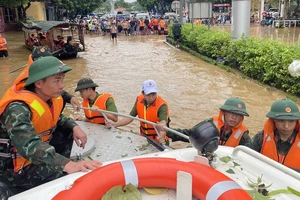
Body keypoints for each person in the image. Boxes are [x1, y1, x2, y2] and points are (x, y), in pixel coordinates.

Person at [0, 56, 102, 195]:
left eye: (62, 79)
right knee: (67, 178)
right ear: (39, 83)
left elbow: (56, 118)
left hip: (32, 159)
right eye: (57, 80)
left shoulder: (48, 99)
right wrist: (67, 164)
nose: (62, 86)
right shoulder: (17, 108)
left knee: (66, 130)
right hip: (12, 169)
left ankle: (55, 166)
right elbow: (30, 145)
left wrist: (74, 126)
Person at [12, 46, 81, 111]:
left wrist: (69, 98)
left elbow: (53, 88)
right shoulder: (29, 77)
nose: (62, 85)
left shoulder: (51, 75)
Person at [162, 97, 251, 147]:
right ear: (224, 112)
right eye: (231, 113)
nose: (234, 117)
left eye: (238, 115)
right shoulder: (211, 123)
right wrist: (167, 131)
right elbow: (191, 134)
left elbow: (247, 155)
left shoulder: (243, 135)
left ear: (241, 118)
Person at [106, 80, 170, 144]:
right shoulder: (139, 100)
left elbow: (163, 123)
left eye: (153, 94)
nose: (151, 97)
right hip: (144, 139)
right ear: (143, 93)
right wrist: (115, 124)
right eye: (148, 95)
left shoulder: (162, 105)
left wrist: (162, 136)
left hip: (159, 141)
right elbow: (130, 117)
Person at [247, 99, 300, 172]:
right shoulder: (261, 137)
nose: (286, 126)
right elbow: (245, 157)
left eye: (291, 121)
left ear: (297, 121)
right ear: (274, 120)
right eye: (281, 121)